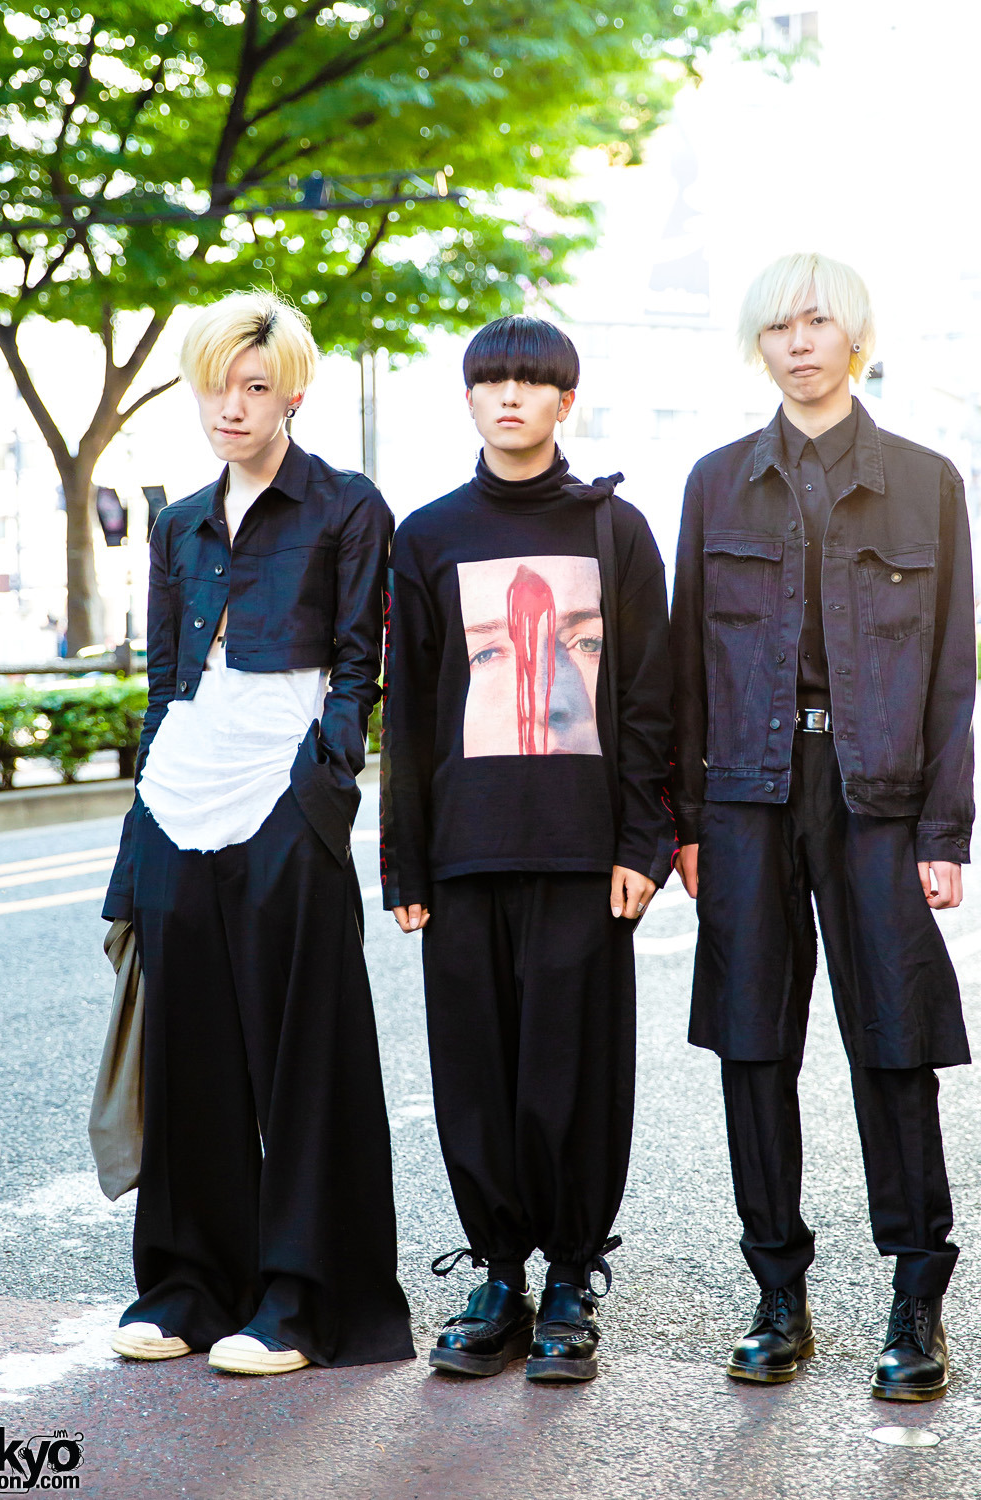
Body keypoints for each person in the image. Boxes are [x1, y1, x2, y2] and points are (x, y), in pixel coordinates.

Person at [671, 253, 975, 1402]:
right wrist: (684, 821)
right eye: (777, 327)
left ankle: (915, 1298)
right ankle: (779, 1291)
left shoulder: (923, 481)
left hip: (879, 795)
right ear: (760, 346)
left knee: (893, 1040)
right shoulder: (714, 483)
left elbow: (950, 672)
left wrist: (944, 829)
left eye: (818, 322)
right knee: (753, 1042)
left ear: (854, 335)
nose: (797, 342)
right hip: (745, 793)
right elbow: (684, 660)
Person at [101, 289, 414, 1376]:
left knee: (304, 1059)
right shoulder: (181, 520)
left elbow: (360, 673)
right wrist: (138, 827)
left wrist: (317, 796)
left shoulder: (346, 505)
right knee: (190, 1057)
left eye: (254, 386)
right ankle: (189, 1284)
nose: (230, 407)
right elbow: (162, 683)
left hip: (284, 799)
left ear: (290, 392)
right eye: (215, 386)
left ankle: (300, 1298)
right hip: (180, 799)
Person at [381, 315, 674, 1383]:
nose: (509, 397)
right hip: (461, 854)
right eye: (489, 380)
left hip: (584, 852)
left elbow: (650, 700)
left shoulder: (619, 531)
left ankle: (567, 1284)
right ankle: (498, 1276)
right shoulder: (428, 535)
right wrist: (403, 861)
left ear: (565, 402)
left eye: (530, 382)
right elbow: (407, 711)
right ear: (467, 399)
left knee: (575, 1076)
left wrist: (643, 840)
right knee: (475, 1072)